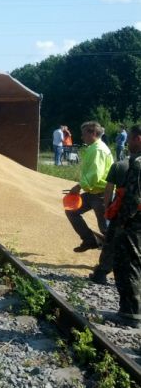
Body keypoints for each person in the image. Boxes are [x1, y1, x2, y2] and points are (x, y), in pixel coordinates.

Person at [65, 121, 114, 253]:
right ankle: (90, 240)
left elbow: (95, 174)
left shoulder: (98, 150)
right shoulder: (94, 148)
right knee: (71, 211)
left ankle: (114, 259)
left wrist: (79, 186)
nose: (82, 137)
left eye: (84, 134)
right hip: (93, 193)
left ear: (93, 133)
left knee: (106, 228)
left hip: (102, 194)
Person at [112, 124, 141, 328]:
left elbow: (133, 198)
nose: (128, 142)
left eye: (130, 138)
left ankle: (130, 313)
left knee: (128, 264)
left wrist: (121, 222)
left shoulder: (138, 164)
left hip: (134, 224)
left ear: (138, 139)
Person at [88, 156, 129, 284]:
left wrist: (108, 208)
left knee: (111, 243)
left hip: (121, 212)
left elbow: (109, 189)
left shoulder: (119, 166)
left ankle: (101, 273)